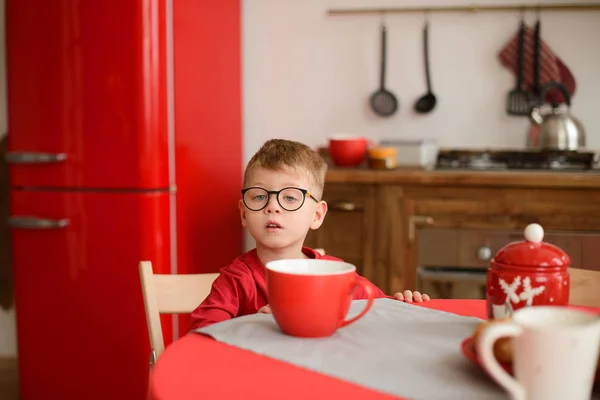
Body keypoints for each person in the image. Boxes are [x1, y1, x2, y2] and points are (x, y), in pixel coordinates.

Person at [190, 139, 430, 330]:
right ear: (243, 213)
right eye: (260, 196)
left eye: (290, 197)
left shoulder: (335, 275)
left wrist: (403, 305)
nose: (272, 206)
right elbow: (203, 333)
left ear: (317, 215)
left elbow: (379, 311)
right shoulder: (236, 280)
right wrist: (253, 326)